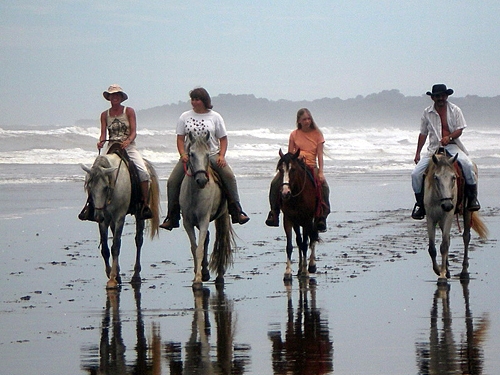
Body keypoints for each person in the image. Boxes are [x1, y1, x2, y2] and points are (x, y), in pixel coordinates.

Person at [160, 87, 250, 230]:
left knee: (229, 176)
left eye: (197, 99)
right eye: (193, 99)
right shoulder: (185, 116)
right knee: (172, 181)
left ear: (204, 101)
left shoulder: (215, 117)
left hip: (211, 154)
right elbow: (180, 139)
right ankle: (172, 216)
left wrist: (221, 155)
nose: (194, 102)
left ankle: (237, 211)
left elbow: (223, 139)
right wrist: (183, 154)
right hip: (191, 156)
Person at [79, 84, 152, 221]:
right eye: (112, 95)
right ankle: (90, 205)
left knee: (143, 172)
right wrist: (101, 141)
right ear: (109, 97)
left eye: (117, 95)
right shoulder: (104, 115)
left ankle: (144, 204)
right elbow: (103, 133)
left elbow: (134, 132)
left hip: (128, 147)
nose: (115, 97)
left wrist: (128, 140)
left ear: (121, 97)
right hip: (112, 146)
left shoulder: (129, 111)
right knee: (94, 174)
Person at [411, 84, 480, 220]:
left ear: (447, 96)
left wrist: (449, 137)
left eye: (443, 95)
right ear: (432, 98)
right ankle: (420, 204)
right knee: (415, 174)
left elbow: (460, 129)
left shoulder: (455, 110)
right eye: (437, 96)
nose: (440, 98)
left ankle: (472, 199)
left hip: (452, 146)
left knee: (468, 166)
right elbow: (423, 133)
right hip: (434, 149)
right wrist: (417, 153)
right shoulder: (427, 112)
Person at [265, 108, 330, 232]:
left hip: (311, 166)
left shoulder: (317, 134)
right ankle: (274, 212)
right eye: (304, 119)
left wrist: (321, 172)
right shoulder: (294, 134)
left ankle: (322, 215)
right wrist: (296, 156)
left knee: (324, 186)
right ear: (299, 121)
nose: (307, 121)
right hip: (295, 166)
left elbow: (320, 155)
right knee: (275, 183)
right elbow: (290, 154)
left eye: (309, 118)